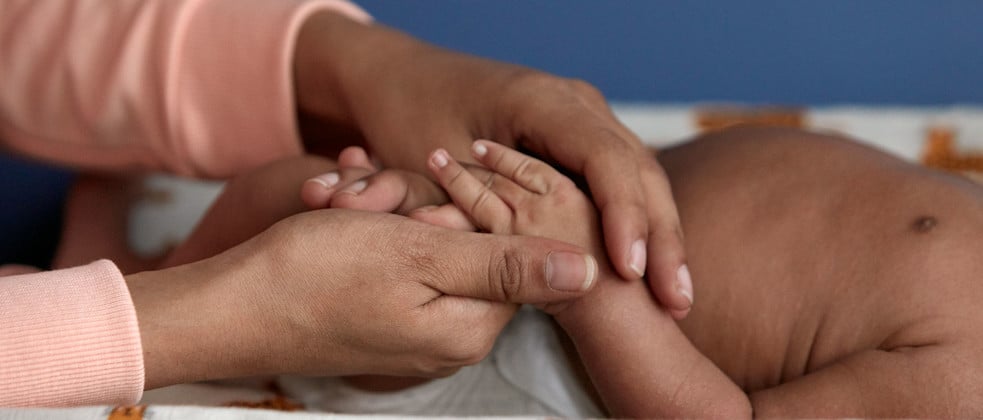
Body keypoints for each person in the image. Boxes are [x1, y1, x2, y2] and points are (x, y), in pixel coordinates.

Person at [0, 0, 691, 407]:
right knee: (305, 205)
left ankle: (135, 278)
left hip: (565, 378)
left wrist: (360, 67)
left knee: (306, 199)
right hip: (568, 301)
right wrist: (209, 316)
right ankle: (140, 289)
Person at [417, 126, 983, 417]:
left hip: (579, 347)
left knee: (377, 322)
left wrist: (590, 292)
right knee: (384, 196)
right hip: (591, 202)